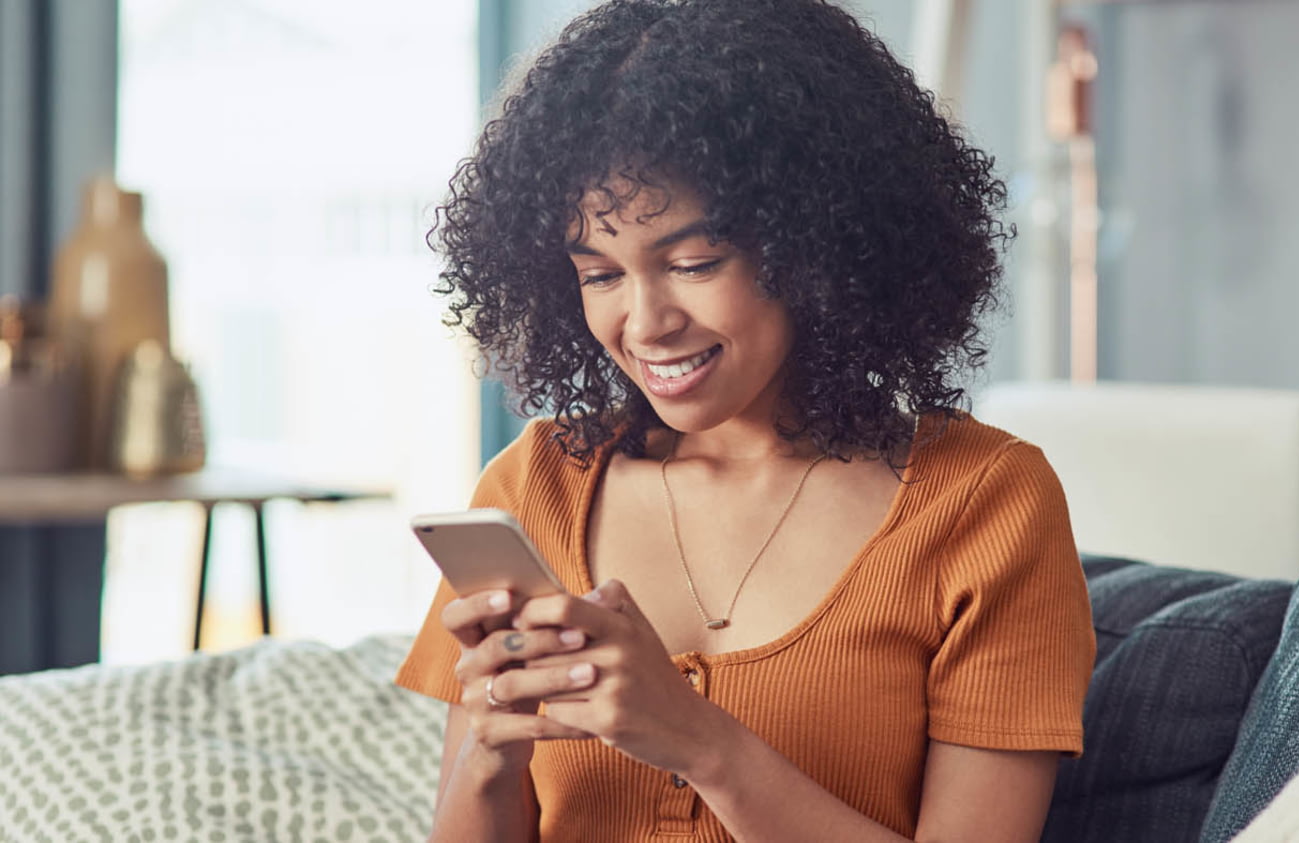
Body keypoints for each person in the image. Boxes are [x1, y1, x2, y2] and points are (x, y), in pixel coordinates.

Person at [394, 1, 1095, 840]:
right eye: (600, 274)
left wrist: (697, 740)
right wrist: (489, 753)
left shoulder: (983, 504)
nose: (646, 322)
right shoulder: (537, 484)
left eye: (694, 263)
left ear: (818, 241)